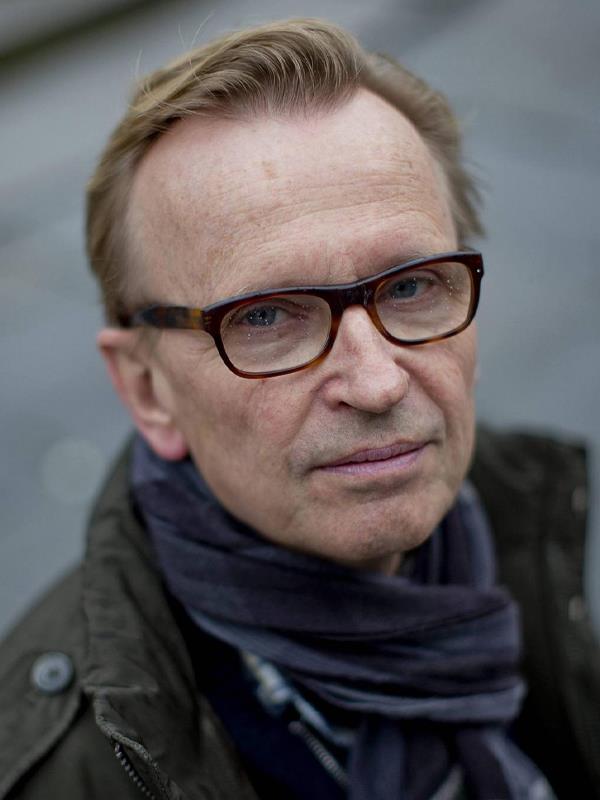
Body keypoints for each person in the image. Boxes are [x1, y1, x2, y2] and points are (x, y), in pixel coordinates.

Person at [0, 18, 598, 800]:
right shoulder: (63, 774)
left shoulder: (551, 554)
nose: (377, 384)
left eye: (412, 286)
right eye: (265, 316)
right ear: (147, 389)